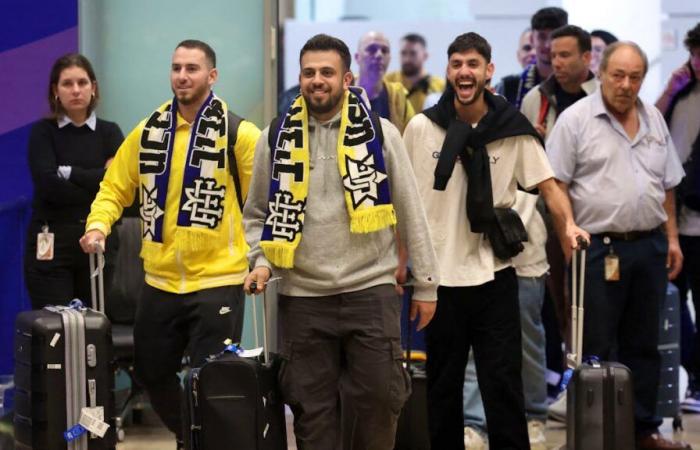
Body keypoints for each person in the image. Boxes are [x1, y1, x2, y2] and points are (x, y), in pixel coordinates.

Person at [243, 33, 439, 450]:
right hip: (302, 298)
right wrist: (260, 260)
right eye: (309, 72)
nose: (318, 80)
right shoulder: (274, 138)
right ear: (300, 78)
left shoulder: (382, 134)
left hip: (371, 292)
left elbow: (411, 210)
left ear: (346, 78)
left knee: (379, 404)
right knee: (312, 415)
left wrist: (426, 284)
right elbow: (256, 213)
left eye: (327, 72)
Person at [403, 32, 588, 450]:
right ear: (448, 72)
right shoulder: (421, 128)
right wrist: (403, 267)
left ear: (488, 71)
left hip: (496, 276)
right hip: (439, 283)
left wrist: (569, 226)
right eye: (456, 64)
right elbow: (405, 202)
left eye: (473, 64)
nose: (464, 72)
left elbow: (550, 187)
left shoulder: (512, 129)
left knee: (503, 386)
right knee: (442, 390)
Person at [80, 39, 260, 449]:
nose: (182, 75)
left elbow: (260, 204)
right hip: (160, 281)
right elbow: (114, 188)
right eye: (176, 67)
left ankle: (201, 442)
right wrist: (98, 226)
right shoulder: (149, 132)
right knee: (151, 373)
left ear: (211, 76)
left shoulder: (240, 135)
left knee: (208, 378)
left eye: (192, 68)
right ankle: (193, 436)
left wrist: (262, 259)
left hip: (219, 278)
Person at [547, 41, 691, 450]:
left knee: (645, 344)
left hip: (648, 247)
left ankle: (644, 430)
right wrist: (568, 232)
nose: (626, 85)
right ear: (601, 71)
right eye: (618, 75)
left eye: (635, 77)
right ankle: (598, 432)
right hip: (597, 249)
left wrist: (672, 239)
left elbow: (666, 186)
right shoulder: (576, 120)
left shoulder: (654, 120)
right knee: (596, 344)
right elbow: (555, 184)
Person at [24, 53, 123, 310]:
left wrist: (70, 173)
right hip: (52, 243)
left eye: (82, 82)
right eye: (67, 84)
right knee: (55, 330)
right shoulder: (43, 133)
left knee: (93, 328)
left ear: (93, 87)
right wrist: (96, 185)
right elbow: (47, 185)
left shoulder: (110, 132)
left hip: (98, 242)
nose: (76, 90)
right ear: (55, 90)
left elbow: (117, 184)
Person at [656, 22, 700, 412]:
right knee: (671, 303)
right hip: (678, 221)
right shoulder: (681, 95)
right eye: (696, 56)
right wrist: (670, 88)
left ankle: (698, 384)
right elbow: (647, 130)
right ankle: (695, 374)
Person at [521, 25, 596, 138]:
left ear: (586, 58)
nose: (556, 63)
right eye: (553, 56)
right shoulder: (534, 98)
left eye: (564, 55)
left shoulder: (604, 96)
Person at [355, 30, 415, 133]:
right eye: (372, 49)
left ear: (390, 58)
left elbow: (412, 137)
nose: (379, 55)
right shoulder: (343, 92)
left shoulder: (398, 97)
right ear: (357, 57)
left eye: (384, 50)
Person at [514, 7, 569, 109]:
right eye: (542, 37)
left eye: (554, 37)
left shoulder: (578, 83)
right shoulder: (510, 86)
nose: (547, 45)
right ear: (531, 39)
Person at [385, 33, 445, 112]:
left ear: (425, 56)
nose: (407, 59)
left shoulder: (441, 86)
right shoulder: (387, 81)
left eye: (413, 53)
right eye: (403, 53)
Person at [495, 28, 536, 105]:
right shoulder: (506, 86)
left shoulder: (556, 84)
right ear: (518, 55)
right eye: (527, 48)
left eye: (537, 48)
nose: (533, 53)